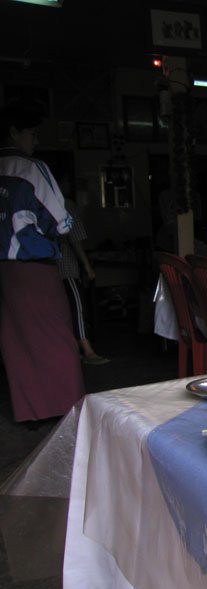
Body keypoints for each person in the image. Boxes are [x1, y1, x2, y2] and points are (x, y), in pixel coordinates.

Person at [0, 102, 85, 422]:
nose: (35, 141)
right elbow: (63, 222)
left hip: (4, 269)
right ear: (14, 133)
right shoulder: (30, 168)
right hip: (34, 265)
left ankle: (31, 411)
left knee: (17, 341)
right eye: (32, 134)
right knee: (57, 337)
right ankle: (67, 410)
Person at [58, 196, 110, 365]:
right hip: (65, 266)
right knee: (77, 306)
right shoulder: (65, 204)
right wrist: (87, 266)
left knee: (63, 310)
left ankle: (70, 350)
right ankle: (87, 351)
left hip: (47, 267)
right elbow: (76, 239)